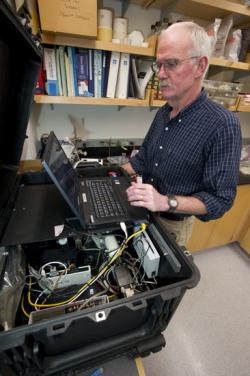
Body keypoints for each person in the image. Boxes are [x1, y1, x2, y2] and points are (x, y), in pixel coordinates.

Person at [122, 21, 242, 247]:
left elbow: (220, 200)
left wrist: (165, 202)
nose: (161, 74)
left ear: (199, 66)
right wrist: (105, 172)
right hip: (143, 211)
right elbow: (143, 160)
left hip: (172, 225)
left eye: (172, 63)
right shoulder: (163, 113)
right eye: (159, 65)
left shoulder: (223, 125)